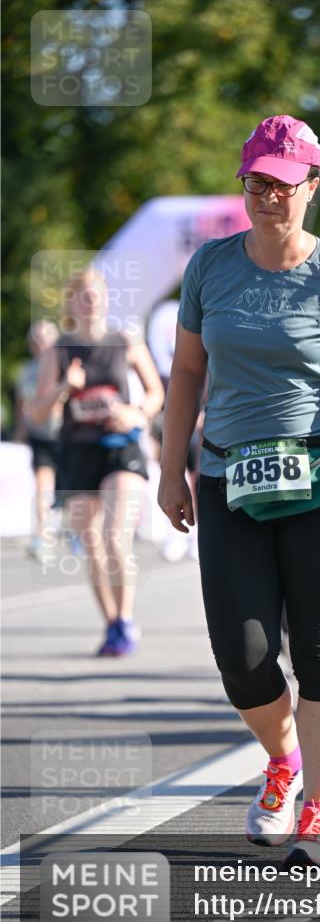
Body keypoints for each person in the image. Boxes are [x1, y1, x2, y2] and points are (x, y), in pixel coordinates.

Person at [157, 114, 320, 868]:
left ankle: (318, 814)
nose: (266, 197)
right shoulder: (210, 267)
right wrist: (172, 468)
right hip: (230, 470)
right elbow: (188, 374)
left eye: (281, 184)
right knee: (242, 653)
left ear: (310, 187)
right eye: (255, 182)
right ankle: (282, 761)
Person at [27, 269, 164, 656]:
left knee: (114, 534)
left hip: (120, 447)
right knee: (91, 543)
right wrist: (63, 388)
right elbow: (37, 414)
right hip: (78, 451)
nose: (90, 301)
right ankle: (112, 623)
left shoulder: (125, 342)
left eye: (96, 295)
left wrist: (136, 414)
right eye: (83, 296)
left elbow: (156, 393)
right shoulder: (60, 350)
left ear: (106, 300)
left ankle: (125, 617)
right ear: (71, 303)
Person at [146, 299, 203, 561]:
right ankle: (177, 533)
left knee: (197, 473)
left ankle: (196, 534)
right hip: (174, 411)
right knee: (172, 470)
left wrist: (204, 412)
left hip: (202, 411)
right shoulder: (165, 317)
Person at [14, 320, 62, 560]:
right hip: (40, 435)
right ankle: (44, 536)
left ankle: (78, 534)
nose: (42, 344)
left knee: (71, 487)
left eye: (47, 338)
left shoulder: (66, 366)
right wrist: (21, 428)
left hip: (66, 435)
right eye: (38, 339)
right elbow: (23, 404)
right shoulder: (27, 371)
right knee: (43, 484)